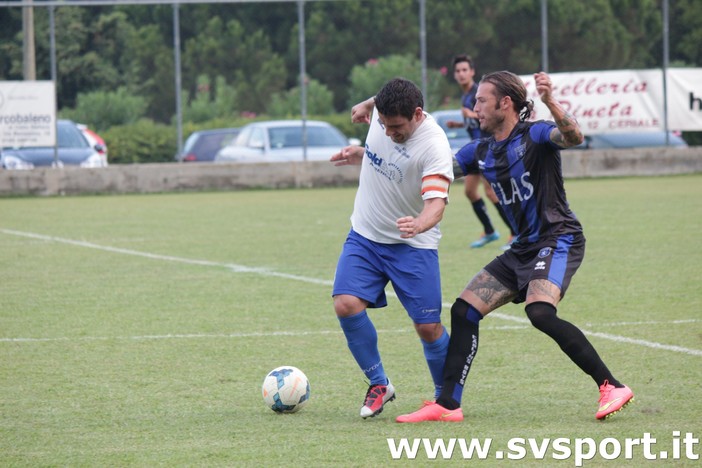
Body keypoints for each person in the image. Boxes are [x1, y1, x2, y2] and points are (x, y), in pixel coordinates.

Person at [396, 71, 634, 423]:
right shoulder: (480, 150)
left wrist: (550, 100)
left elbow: (573, 136)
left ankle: (612, 386)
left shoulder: (535, 134)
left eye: (481, 100)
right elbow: (434, 169)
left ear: (505, 103)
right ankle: (447, 404)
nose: (474, 107)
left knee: (539, 312)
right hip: (523, 248)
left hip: (557, 238)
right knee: (463, 311)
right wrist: (371, 156)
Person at [329, 77, 454, 419]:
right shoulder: (382, 114)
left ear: (417, 114)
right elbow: (383, 103)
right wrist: (367, 111)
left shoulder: (434, 147)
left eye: (396, 127)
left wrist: (419, 224)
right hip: (366, 235)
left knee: (427, 327)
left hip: (413, 244)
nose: (387, 132)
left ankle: (445, 400)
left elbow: (436, 204)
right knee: (346, 303)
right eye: (382, 124)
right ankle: (379, 384)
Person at [445, 54, 517, 250]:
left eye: (464, 70)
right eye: (458, 71)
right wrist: (459, 123)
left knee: (490, 192)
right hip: (474, 151)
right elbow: (474, 121)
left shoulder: (479, 92)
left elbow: (489, 117)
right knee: (469, 192)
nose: (461, 74)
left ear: (472, 72)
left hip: (486, 148)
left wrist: (471, 114)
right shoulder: (466, 95)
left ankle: (515, 233)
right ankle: (490, 231)